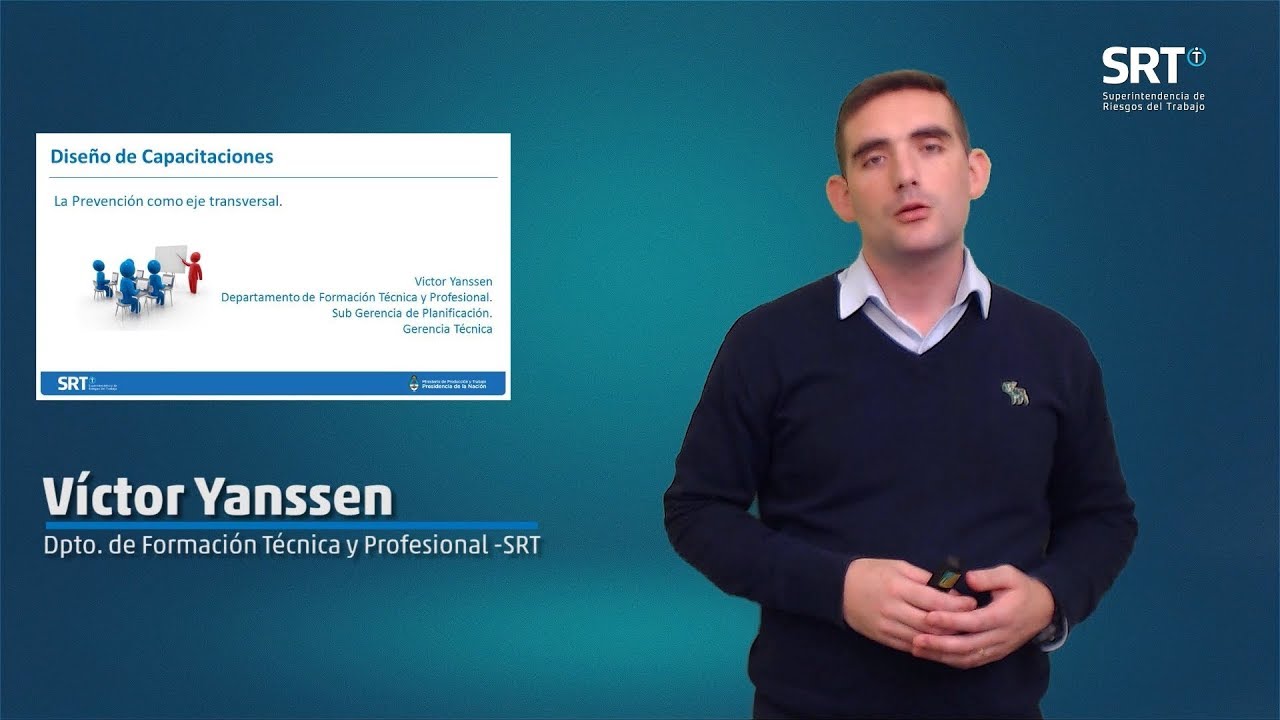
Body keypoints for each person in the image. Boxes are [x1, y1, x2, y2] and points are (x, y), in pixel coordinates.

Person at [663, 69, 1137, 719]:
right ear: (842, 196)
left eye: (930, 146)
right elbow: (696, 512)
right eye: (874, 157)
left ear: (975, 172)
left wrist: (1049, 600)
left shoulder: (1055, 347)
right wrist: (839, 588)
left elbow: (1104, 517)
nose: (906, 175)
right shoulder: (766, 342)